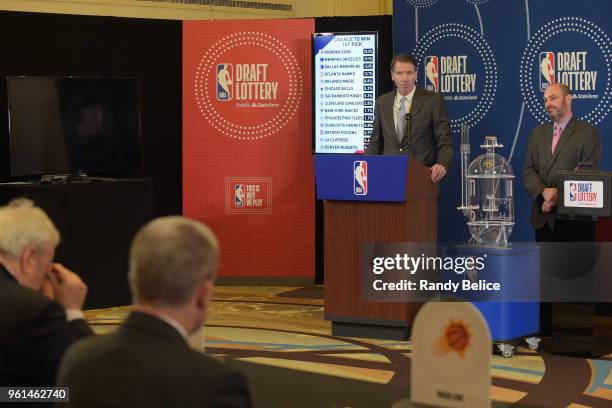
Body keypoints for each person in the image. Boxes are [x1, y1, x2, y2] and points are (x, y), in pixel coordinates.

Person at [58, 216, 251, 408]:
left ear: (132, 282)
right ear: (203, 292)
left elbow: (34, 396)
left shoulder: (77, 358)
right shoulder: (216, 383)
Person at [0, 198, 92, 387]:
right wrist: (72, 311)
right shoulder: (34, 310)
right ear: (29, 257)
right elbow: (88, 382)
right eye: (46, 267)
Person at [523, 82, 601, 242]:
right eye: (545, 100)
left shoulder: (588, 133)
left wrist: (556, 196)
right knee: (545, 268)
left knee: (576, 268)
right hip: (543, 221)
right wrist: (544, 192)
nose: (548, 104)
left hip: (575, 223)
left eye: (553, 98)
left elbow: (587, 173)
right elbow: (528, 171)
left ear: (568, 99)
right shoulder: (537, 133)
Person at [365, 54, 453, 183]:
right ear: (392, 75)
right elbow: (375, 142)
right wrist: (364, 165)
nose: (405, 78)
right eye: (400, 73)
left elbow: (445, 141)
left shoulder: (433, 101)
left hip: (422, 178)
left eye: (409, 73)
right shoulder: (382, 102)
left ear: (416, 74)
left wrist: (442, 164)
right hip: (387, 176)